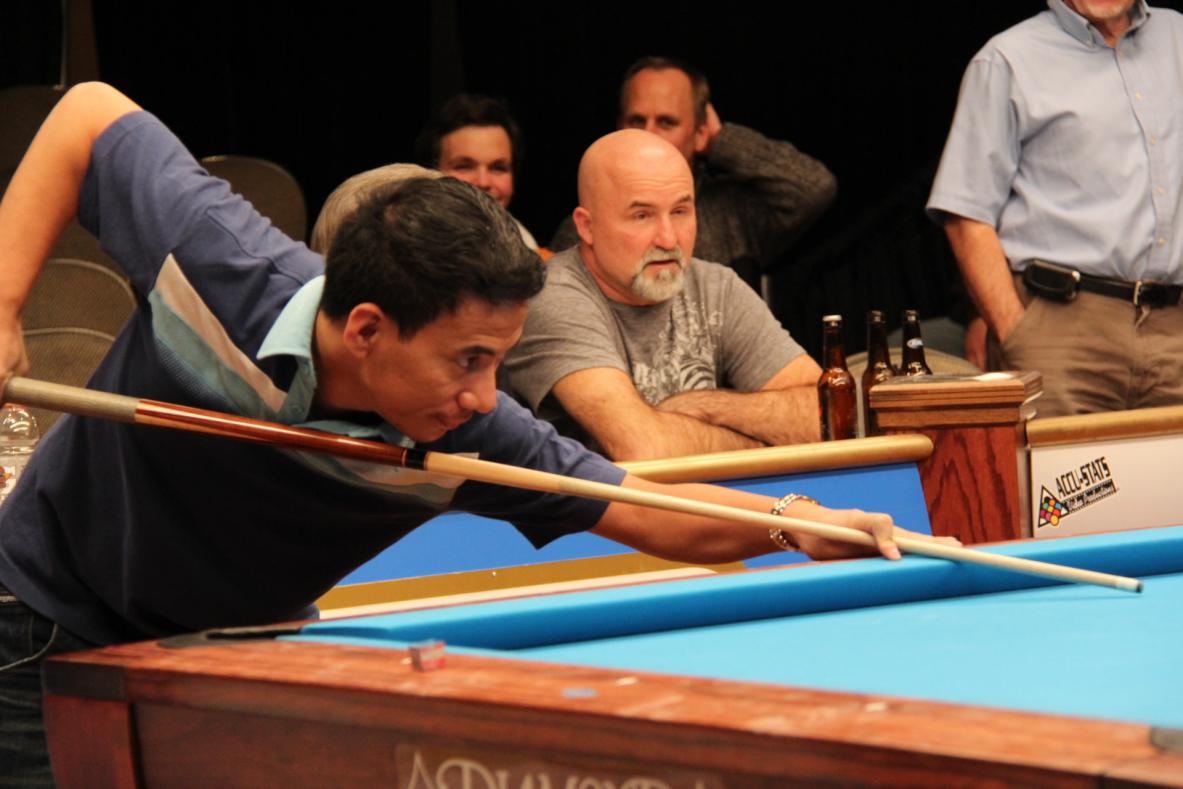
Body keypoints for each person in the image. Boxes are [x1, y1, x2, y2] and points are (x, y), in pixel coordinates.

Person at [0, 83, 931, 784]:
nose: (487, 396)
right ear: (367, 329)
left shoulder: (473, 434)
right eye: (468, 359)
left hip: (231, 650)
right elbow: (88, 113)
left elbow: (643, 509)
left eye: (500, 361)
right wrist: (2, 304)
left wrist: (792, 520)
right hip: (46, 621)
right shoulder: (225, 261)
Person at [927, 0, 1183, 417]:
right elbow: (965, 216)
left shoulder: (1178, 38)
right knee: (1056, 463)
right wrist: (1018, 333)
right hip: (1061, 332)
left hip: (1175, 326)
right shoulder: (1007, 60)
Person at [505, 129, 822, 461]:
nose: (669, 239)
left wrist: (706, 406)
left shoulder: (716, 286)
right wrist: (766, 445)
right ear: (587, 227)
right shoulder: (555, 297)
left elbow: (829, 414)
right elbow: (644, 448)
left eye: (680, 211)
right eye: (642, 216)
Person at [551, 56, 836, 286]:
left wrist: (721, 139)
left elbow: (813, 187)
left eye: (666, 122)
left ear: (700, 133)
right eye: (637, 121)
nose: (648, 134)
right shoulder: (590, 224)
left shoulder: (732, 211)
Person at [414, 93, 548, 256]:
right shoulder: (403, 250)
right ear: (430, 172)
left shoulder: (533, 253)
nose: (483, 182)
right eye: (464, 166)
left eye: (498, 168)